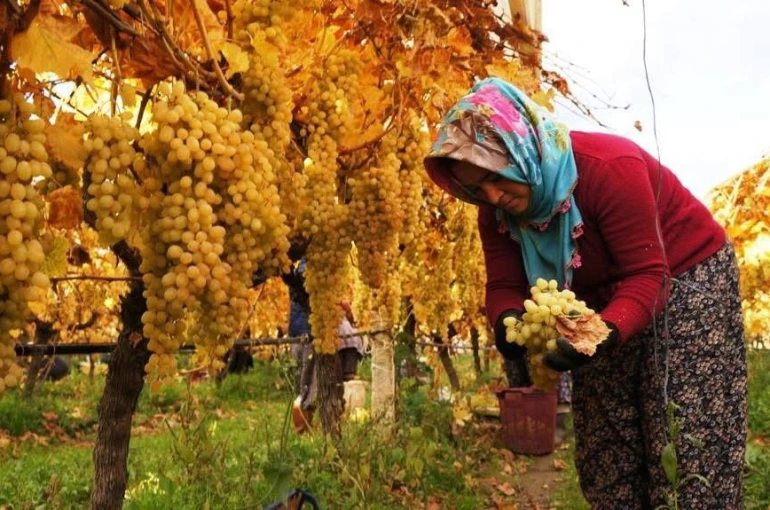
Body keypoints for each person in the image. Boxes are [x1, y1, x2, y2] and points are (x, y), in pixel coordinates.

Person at [423, 77, 747, 509]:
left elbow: (649, 275)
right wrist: (507, 323)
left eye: (496, 178)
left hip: (687, 276)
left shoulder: (609, 168)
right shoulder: (497, 212)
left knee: (684, 432)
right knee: (607, 445)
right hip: (597, 295)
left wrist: (603, 333)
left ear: (523, 151)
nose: (493, 195)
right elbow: (504, 286)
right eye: (476, 189)